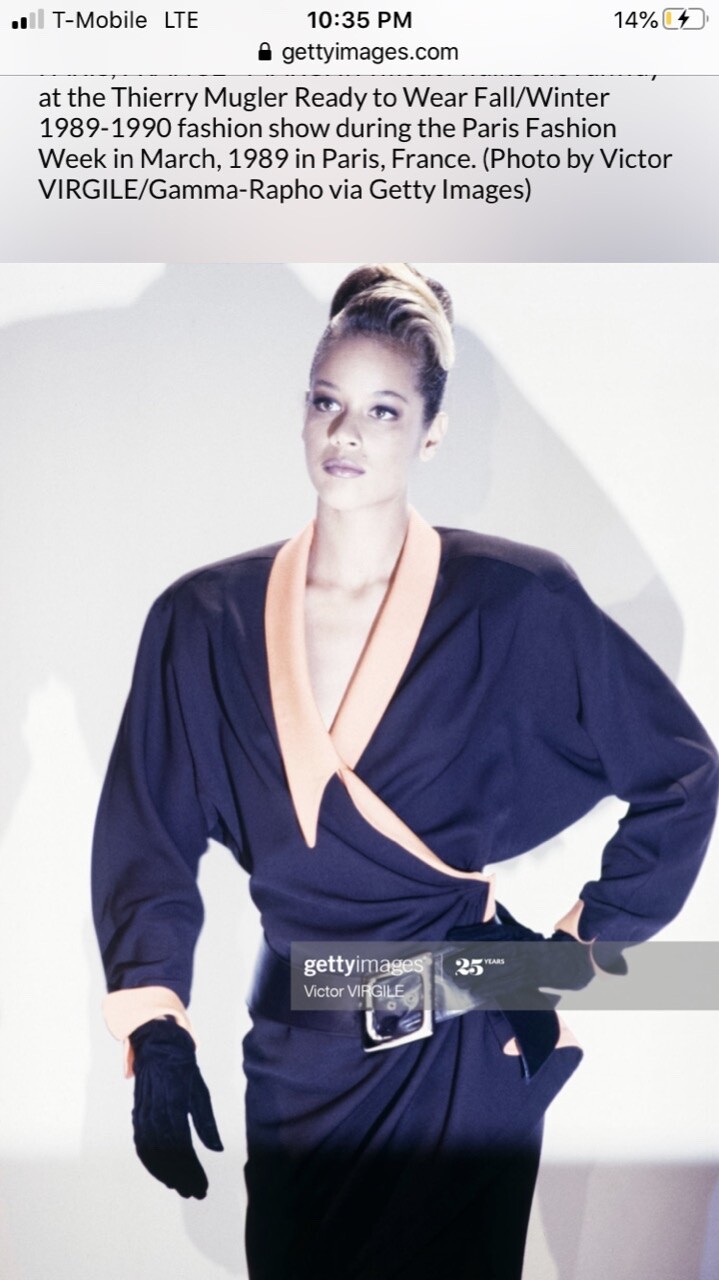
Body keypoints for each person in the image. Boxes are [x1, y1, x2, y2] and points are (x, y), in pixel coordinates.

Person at [92, 263, 718, 1280]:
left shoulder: (511, 598)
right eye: (325, 401)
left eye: (382, 409)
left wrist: (567, 954)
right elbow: (146, 834)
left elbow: (680, 775)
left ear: (430, 433)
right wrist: (155, 1021)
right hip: (299, 1049)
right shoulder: (201, 619)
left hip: (462, 1040)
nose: (345, 431)